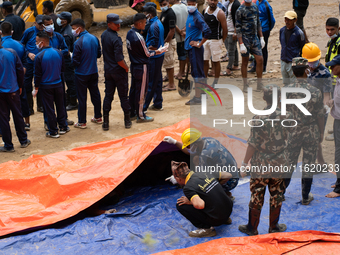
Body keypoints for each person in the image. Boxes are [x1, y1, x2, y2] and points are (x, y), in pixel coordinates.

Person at [238, 85, 290, 236]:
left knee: (257, 194)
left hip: (261, 164)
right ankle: (273, 227)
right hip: (280, 163)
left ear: (264, 98)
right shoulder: (287, 116)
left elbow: (252, 144)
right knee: (277, 194)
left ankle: (252, 228)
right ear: (280, 98)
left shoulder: (258, 118)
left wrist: (244, 163)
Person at [284, 57, 324, 205]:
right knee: (308, 164)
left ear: (293, 72)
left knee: (288, 163)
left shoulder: (286, 90)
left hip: (292, 131)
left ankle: (280, 193)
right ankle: (305, 196)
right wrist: (320, 133)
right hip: (310, 131)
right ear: (307, 71)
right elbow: (320, 115)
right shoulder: (315, 91)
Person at [163, 128, 239, 199]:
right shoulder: (208, 140)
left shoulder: (205, 155)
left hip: (230, 180)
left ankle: (223, 195)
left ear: (195, 145)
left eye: (189, 146)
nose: (188, 148)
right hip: (232, 172)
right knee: (196, 158)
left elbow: (199, 177)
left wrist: (179, 177)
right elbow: (190, 152)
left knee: (202, 186)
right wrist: (175, 142)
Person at [174, 160, 233, 237]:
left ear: (178, 179)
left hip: (218, 219)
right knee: (207, 195)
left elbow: (200, 205)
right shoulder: (204, 172)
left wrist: (191, 201)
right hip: (229, 209)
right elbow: (228, 175)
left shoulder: (188, 187)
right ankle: (225, 219)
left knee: (180, 205)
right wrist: (214, 187)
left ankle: (207, 229)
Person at [126, 13, 164, 123]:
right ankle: (141, 115)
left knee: (133, 89)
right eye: (144, 22)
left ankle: (132, 111)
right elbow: (147, 54)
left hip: (134, 65)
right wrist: (158, 51)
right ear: (139, 23)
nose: (145, 24)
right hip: (142, 66)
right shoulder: (139, 37)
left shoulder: (129, 34)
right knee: (141, 91)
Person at [33, 31, 69, 138]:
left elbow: (37, 75)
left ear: (42, 42)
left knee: (49, 108)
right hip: (58, 84)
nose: (36, 43)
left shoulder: (38, 56)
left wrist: (36, 88)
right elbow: (63, 69)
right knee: (60, 105)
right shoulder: (59, 52)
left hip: (46, 86)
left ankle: (53, 131)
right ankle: (63, 126)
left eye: (36, 41)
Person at [302, 43, 332, 166]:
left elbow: (326, 95)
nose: (311, 64)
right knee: (311, 138)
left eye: (314, 61)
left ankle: (316, 163)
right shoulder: (305, 69)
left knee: (317, 137)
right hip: (306, 109)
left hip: (319, 111)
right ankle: (321, 162)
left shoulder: (325, 73)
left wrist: (325, 106)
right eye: (309, 61)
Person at [101, 14, 131, 130]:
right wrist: (126, 67)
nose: (119, 25)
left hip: (108, 71)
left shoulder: (104, 35)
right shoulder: (116, 39)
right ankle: (127, 121)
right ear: (109, 24)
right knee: (124, 97)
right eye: (116, 24)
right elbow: (119, 59)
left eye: (119, 23)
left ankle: (106, 123)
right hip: (118, 71)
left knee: (108, 96)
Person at [71, 18, 102, 129]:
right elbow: (99, 54)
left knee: (82, 98)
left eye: (73, 29)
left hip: (81, 74)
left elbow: (75, 61)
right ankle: (98, 117)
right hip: (93, 71)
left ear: (79, 28)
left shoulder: (78, 42)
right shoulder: (94, 38)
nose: (73, 31)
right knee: (95, 94)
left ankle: (82, 121)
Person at [0, 39, 31, 152]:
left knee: (3, 118)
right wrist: (20, 86)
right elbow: (20, 70)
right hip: (13, 90)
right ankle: (23, 141)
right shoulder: (11, 52)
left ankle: (8, 145)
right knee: (18, 115)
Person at [0, 21, 30, 131]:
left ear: (0, 32)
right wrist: (20, 76)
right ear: (12, 32)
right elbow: (24, 63)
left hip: (3, 85)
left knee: (3, 111)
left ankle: (3, 130)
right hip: (16, 82)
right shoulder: (20, 45)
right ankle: (26, 123)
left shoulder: (2, 46)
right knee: (21, 105)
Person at [184, 0, 211, 105]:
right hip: (191, 48)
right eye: (189, 4)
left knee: (196, 73)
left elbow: (207, 31)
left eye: (192, 4)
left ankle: (198, 97)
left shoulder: (197, 16)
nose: (190, 6)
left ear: (196, 4)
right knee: (198, 71)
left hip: (195, 49)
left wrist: (199, 43)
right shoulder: (190, 14)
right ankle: (202, 94)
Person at [236, 0, 265, 92]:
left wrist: (261, 37)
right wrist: (241, 43)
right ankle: (245, 84)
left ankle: (259, 84)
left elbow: (258, 22)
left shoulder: (255, 7)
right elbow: (238, 27)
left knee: (260, 60)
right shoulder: (240, 10)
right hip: (245, 39)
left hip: (254, 38)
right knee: (245, 61)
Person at [21, 15, 45, 115]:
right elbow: (22, 44)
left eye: (42, 24)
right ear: (35, 23)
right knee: (27, 85)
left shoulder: (45, 32)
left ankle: (40, 106)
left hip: (41, 63)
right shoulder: (29, 32)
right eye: (39, 24)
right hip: (29, 63)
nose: (41, 26)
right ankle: (29, 108)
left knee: (40, 83)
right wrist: (28, 53)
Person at [143, 6, 165, 112]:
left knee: (151, 82)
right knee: (158, 80)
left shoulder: (153, 26)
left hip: (154, 57)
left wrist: (143, 49)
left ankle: (144, 107)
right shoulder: (158, 23)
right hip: (159, 56)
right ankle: (158, 103)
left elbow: (154, 45)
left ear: (149, 14)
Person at [325, 55, 340, 198]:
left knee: (339, 155)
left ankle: (339, 188)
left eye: (334, 66)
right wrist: (332, 102)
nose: (331, 68)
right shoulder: (338, 80)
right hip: (337, 119)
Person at [203, 0, 227, 86]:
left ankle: (215, 83)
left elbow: (225, 29)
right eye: (211, 0)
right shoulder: (205, 10)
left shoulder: (220, 13)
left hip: (215, 40)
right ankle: (204, 81)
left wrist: (221, 41)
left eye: (215, 0)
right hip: (205, 39)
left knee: (216, 61)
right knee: (205, 61)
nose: (213, 2)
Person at [57, 11, 78, 111]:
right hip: (68, 60)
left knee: (70, 81)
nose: (58, 20)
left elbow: (66, 50)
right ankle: (70, 100)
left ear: (65, 21)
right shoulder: (66, 30)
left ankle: (73, 102)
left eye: (60, 18)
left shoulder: (66, 34)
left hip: (67, 61)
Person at [248, 0, 275, 74]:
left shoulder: (266, 6)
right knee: (255, 48)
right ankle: (255, 65)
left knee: (263, 48)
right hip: (256, 29)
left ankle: (263, 68)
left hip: (264, 30)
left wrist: (267, 29)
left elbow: (272, 20)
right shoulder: (256, 3)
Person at [279, 11, 306, 86]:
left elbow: (303, 48)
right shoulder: (282, 30)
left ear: (295, 20)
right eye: (286, 19)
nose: (287, 21)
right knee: (286, 83)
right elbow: (282, 44)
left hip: (293, 62)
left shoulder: (299, 33)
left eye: (290, 20)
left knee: (294, 84)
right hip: (283, 61)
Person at [325, 18, 340, 142]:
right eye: (327, 29)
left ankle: (337, 132)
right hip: (333, 78)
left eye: (332, 30)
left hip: (338, 79)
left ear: (338, 29)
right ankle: (335, 127)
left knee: (338, 105)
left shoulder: (339, 42)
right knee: (334, 104)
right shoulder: (332, 41)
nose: (329, 32)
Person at [159, 0, 177, 91]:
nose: (163, 6)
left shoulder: (170, 14)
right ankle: (169, 82)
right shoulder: (164, 13)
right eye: (161, 5)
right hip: (166, 41)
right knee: (167, 63)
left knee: (169, 63)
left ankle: (171, 84)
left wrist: (165, 42)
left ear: (168, 3)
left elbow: (172, 30)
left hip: (168, 42)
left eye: (164, 4)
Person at [169, 0, 188, 80]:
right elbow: (188, 20)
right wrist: (184, 30)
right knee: (185, 53)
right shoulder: (185, 6)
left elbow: (173, 23)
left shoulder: (172, 9)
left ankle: (181, 72)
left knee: (181, 54)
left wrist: (179, 31)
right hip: (185, 34)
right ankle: (185, 70)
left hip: (178, 35)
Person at [223, 0, 240, 76]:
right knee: (233, 48)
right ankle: (235, 64)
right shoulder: (230, 4)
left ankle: (229, 68)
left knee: (231, 50)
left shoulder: (236, 4)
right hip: (229, 30)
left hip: (232, 31)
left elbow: (238, 20)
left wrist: (235, 32)